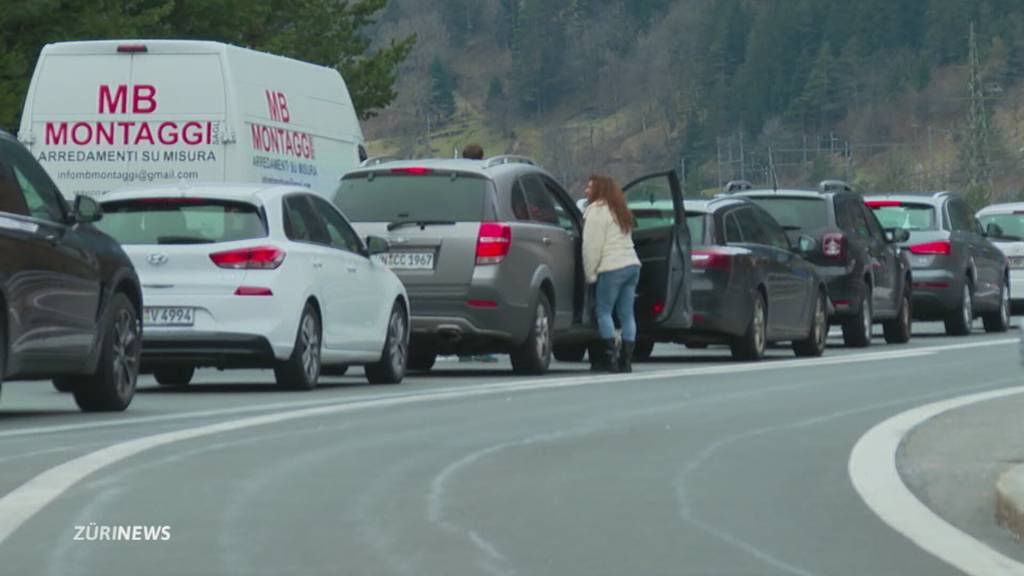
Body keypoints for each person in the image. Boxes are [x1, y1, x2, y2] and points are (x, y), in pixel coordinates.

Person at [583, 175, 641, 373]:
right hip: (632, 265)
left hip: (612, 266)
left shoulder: (597, 212)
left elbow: (591, 247)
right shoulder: (620, 210)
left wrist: (590, 274)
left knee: (604, 312)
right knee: (627, 315)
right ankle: (627, 360)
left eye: (590, 187)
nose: (586, 191)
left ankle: (611, 359)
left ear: (599, 190)